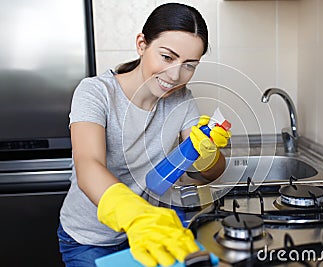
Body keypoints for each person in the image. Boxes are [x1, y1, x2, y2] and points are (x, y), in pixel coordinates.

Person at [57, 3, 231, 267]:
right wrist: (136, 217)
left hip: (154, 234)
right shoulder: (95, 92)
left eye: (189, 65)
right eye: (167, 57)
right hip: (90, 240)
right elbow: (88, 165)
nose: (175, 76)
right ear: (141, 44)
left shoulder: (182, 100)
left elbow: (209, 173)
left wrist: (206, 156)